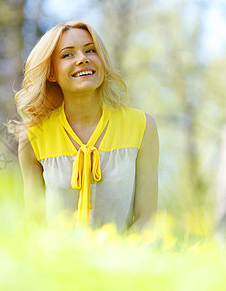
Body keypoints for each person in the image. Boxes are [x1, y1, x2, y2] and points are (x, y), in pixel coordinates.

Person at [13, 21, 159, 232]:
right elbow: (34, 225)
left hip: (123, 261)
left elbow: (147, 220)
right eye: (67, 55)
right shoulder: (33, 136)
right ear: (51, 72)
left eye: (91, 50)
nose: (83, 59)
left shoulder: (143, 127)